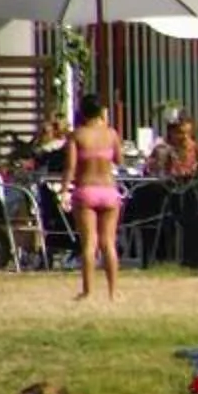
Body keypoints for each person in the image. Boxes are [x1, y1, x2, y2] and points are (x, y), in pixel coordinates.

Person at [65, 96, 124, 301]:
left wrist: (64, 190)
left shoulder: (77, 135)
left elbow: (71, 167)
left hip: (86, 190)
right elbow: (119, 160)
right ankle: (113, 291)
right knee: (109, 243)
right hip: (108, 190)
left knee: (90, 244)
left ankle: (88, 291)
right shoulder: (111, 134)